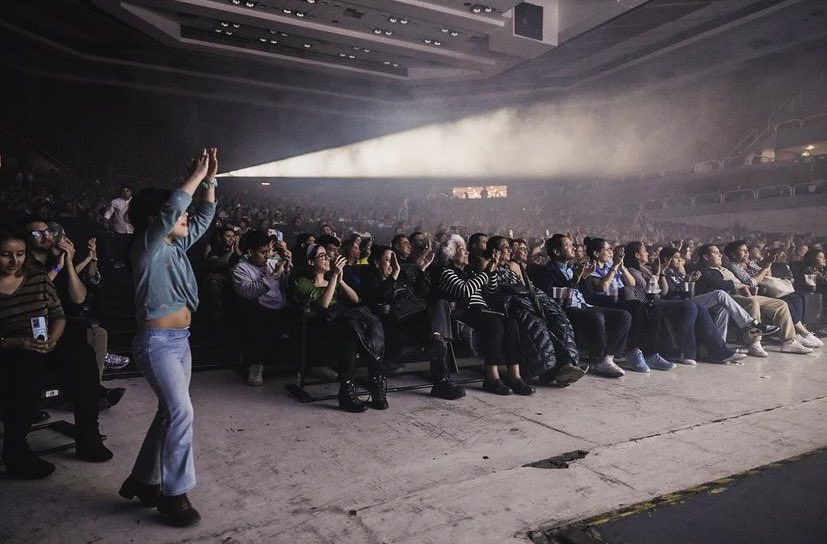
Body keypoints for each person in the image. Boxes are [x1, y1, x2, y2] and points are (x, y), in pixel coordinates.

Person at [118, 147, 219, 527]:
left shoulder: (176, 245)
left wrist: (209, 179)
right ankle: (173, 495)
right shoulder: (146, 249)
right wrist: (193, 175)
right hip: (156, 344)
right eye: (178, 216)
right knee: (181, 413)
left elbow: (204, 213)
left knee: (168, 415)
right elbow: (176, 206)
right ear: (155, 219)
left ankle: (142, 481)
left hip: (181, 342)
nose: (186, 217)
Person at [1, 225, 112, 480]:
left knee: (81, 356)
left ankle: (88, 435)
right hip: (10, 347)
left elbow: (58, 315)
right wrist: (17, 342)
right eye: (6, 254)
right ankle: (16, 450)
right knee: (24, 367)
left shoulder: (37, 278)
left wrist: (53, 338)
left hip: (43, 340)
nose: (14, 261)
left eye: (19, 254)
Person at [435, 234, 534, 396]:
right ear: (451, 254)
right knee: (494, 324)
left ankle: (515, 376)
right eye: (462, 250)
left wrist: (492, 270)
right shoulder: (447, 273)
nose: (467, 253)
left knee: (511, 324)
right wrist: (487, 272)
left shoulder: (469, 272)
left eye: (467, 250)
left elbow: (491, 290)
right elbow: (465, 290)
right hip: (462, 311)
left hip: (481, 310)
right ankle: (491, 378)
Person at [362, 245, 465, 400]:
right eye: (388, 260)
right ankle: (441, 380)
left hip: (421, 316)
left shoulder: (403, 279)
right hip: (400, 321)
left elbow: (422, 292)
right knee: (439, 338)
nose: (393, 265)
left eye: (394, 261)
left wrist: (422, 270)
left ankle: (437, 339)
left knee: (441, 303)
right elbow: (382, 297)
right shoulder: (371, 280)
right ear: (377, 263)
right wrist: (394, 274)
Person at [293, 243, 386, 412]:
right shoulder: (302, 282)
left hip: (343, 322)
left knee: (370, 323)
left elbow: (356, 299)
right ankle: (374, 376)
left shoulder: (334, 280)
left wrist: (340, 280)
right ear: (310, 262)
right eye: (321, 256)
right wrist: (334, 277)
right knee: (350, 332)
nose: (327, 257)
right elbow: (324, 305)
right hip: (320, 325)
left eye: (326, 255)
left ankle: (355, 389)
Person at [483, 235, 584, 387]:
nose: (510, 249)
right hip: (510, 302)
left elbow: (526, 287)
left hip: (531, 298)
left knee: (558, 318)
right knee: (536, 324)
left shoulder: (513, 266)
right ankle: (548, 370)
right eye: (506, 247)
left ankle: (567, 363)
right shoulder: (485, 264)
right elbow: (490, 291)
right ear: (494, 251)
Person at [530, 234, 631, 378]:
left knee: (623, 315)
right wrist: (577, 278)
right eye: (567, 245)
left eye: (572, 244)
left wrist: (583, 278)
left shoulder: (575, 267)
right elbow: (552, 296)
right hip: (565, 309)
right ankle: (597, 358)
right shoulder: (546, 271)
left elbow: (586, 293)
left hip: (584, 304)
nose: (573, 247)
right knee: (596, 316)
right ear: (557, 252)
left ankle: (607, 358)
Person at [694, 244, 812, 356]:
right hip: (731, 296)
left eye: (720, 253)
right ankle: (755, 342)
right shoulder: (703, 270)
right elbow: (720, 285)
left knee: (781, 304)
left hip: (745, 293)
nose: (720, 255)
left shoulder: (724, 268)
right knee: (752, 302)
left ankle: (788, 341)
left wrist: (749, 288)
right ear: (705, 257)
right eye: (716, 253)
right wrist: (742, 286)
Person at [659, 246, 774, 360]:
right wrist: (662, 273)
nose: (680, 260)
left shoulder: (678, 274)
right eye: (676, 258)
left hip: (688, 301)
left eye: (680, 257)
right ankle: (751, 324)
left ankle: (719, 350)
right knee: (720, 294)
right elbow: (664, 293)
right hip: (676, 304)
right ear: (666, 259)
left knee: (723, 310)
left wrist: (688, 281)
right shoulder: (667, 273)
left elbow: (687, 293)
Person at [582, 237, 675, 372]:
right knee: (636, 306)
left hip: (623, 297)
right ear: (596, 253)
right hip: (605, 301)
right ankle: (633, 350)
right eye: (607, 249)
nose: (611, 252)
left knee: (654, 306)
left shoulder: (612, 265)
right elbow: (602, 288)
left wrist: (622, 267)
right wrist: (614, 267)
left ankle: (650, 353)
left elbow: (631, 283)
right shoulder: (591, 268)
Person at [724, 241, 821, 349]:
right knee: (785, 302)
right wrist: (764, 269)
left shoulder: (750, 263)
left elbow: (768, 277)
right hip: (753, 292)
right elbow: (751, 282)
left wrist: (768, 264)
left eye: (747, 250)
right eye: (743, 251)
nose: (747, 253)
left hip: (765, 289)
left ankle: (792, 338)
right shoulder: (733, 266)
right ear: (733, 254)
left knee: (794, 298)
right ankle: (802, 333)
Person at [231, 230, 293, 386]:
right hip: (259, 308)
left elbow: (289, 286)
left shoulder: (272, 263)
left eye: (269, 252)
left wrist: (288, 266)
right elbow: (248, 292)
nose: (267, 256)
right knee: (256, 315)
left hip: (282, 306)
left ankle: (315, 362)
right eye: (263, 252)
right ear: (251, 251)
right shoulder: (241, 269)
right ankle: (256, 365)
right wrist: (272, 276)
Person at [102, 185, 134, 268]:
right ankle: (121, 261)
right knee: (120, 246)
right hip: (119, 228)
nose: (125, 193)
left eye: (127, 191)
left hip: (133, 228)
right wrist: (105, 221)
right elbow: (109, 212)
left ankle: (131, 262)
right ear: (121, 192)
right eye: (124, 191)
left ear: (131, 192)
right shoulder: (115, 202)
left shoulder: (136, 201)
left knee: (132, 246)